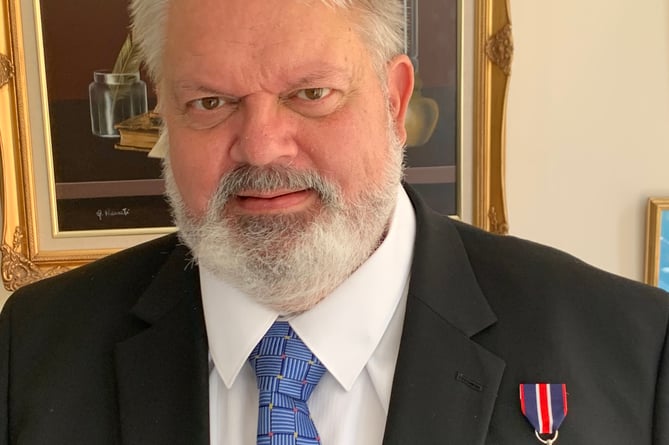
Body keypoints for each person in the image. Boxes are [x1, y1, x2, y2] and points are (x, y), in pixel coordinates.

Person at [1, 0, 668, 443]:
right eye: (209, 101)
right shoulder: (32, 351)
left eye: (311, 94)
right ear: (164, 119)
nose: (261, 146)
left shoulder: (631, 352)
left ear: (394, 98)